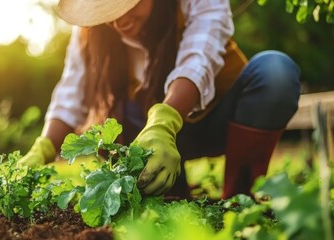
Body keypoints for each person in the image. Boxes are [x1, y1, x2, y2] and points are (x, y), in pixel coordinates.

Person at [19, 0, 301, 200]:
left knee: (275, 71)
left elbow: (197, 59)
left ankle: (241, 196)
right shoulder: (89, 30)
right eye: (108, 8)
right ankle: (163, 192)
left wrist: (164, 122)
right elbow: (71, 92)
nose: (119, 20)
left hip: (215, 123)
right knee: (115, 114)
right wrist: (43, 148)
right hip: (143, 136)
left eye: (130, 5)